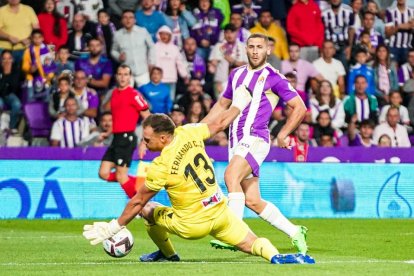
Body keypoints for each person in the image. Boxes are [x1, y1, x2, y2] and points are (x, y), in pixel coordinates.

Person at [83, 111, 315, 264]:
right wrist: (239, 101)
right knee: (252, 243)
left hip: (192, 225)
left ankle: (168, 255)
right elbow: (220, 123)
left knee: (149, 209)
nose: (144, 143)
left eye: (147, 139)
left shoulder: (160, 165)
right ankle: (277, 257)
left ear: (163, 138)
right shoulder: (188, 131)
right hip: (221, 213)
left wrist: (113, 227)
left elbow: (137, 202)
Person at [203, 33, 309, 254]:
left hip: (256, 138)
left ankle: (233, 232)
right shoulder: (236, 74)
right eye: (251, 47)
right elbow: (222, 104)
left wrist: (282, 134)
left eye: (259, 47)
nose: (254, 51)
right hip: (235, 142)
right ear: (246, 49)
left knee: (230, 177)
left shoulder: (274, 77)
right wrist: (200, 129)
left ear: (268, 50)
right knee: (252, 200)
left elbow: (300, 107)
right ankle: (295, 231)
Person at [98, 64, 151, 199]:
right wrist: (108, 132)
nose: (122, 77)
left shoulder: (134, 95)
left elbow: (148, 118)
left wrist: (145, 142)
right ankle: (137, 182)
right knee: (103, 173)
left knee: (121, 176)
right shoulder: (115, 93)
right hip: (116, 138)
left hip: (127, 138)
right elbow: (118, 117)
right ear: (116, 76)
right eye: (120, 74)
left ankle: (139, 208)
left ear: (130, 77)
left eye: (125, 74)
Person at [111, 9, 155, 88]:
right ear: (121, 20)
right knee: (126, 97)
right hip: (126, 73)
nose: (128, 20)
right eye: (125, 17)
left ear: (135, 20)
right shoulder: (117, 34)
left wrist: (151, 63)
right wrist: (118, 57)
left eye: (131, 18)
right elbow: (113, 50)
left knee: (145, 97)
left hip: (143, 71)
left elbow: (152, 47)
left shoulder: (142, 31)